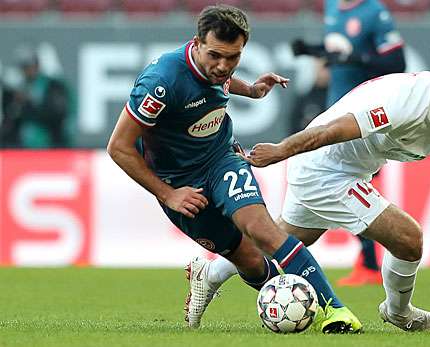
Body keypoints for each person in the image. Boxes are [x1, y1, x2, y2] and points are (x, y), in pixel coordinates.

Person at [106, 5, 361, 333]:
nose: (223, 66)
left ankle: (334, 310)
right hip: (180, 183)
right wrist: (168, 194)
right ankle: (213, 278)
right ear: (196, 43)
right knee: (253, 262)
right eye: (215, 55)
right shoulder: (161, 82)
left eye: (234, 58)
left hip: (221, 159)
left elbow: (219, 83)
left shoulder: (219, 69)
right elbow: (119, 147)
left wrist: (252, 90)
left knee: (262, 230)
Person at [242, 52, 430, 332]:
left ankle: (211, 273)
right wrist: (280, 150)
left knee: (278, 243)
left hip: (349, 170)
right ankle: (399, 313)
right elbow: (331, 132)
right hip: (325, 167)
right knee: (408, 238)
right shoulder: (405, 100)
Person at [291, 0, 407, 286]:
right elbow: (340, 53)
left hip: (363, 114)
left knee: (348, 182)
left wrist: (357, 58)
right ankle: (367, 261)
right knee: (337, 181)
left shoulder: (374, 12)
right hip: (335, 110)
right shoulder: (333, 6)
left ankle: (369, 262)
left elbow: (396, 63)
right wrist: (313, 51)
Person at [1, 45, 73, 148]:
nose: (27, 70)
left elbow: (58, 113)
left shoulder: (51, 86)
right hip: (21, 145)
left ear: (37, 65)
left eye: (29, 66)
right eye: (23, 67)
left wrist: (30, 103)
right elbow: (10, 118)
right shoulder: (18, 87)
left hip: (50, 143)